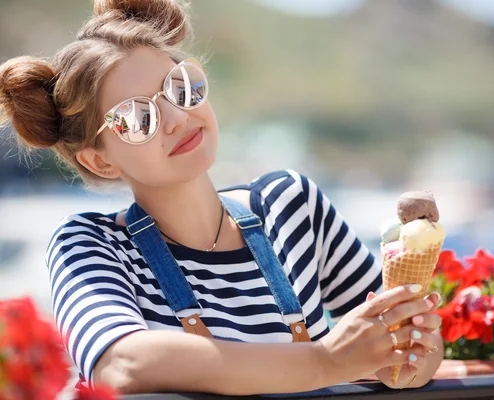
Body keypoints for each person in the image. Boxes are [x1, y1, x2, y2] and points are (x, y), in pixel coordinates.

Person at [0, 0, 444, 396]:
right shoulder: (91, 244)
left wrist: (413, 352)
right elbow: (121, 363)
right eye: (137, 118)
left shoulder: (294, 205)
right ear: (101, 162)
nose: (177, 117)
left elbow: (403, 349)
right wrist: (325, 361)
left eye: (179, 87)